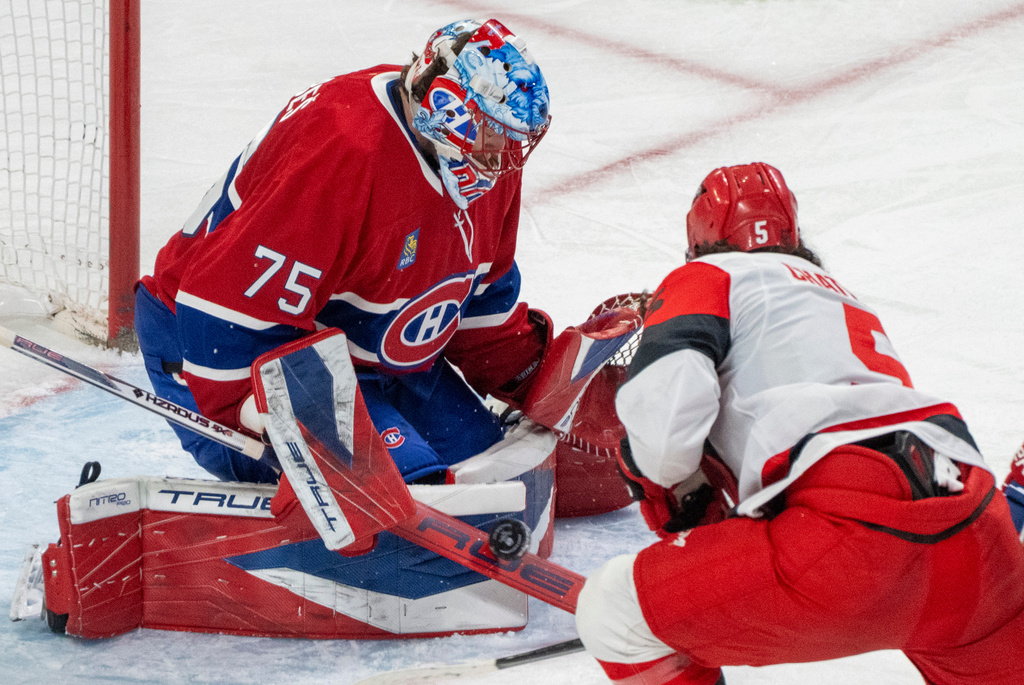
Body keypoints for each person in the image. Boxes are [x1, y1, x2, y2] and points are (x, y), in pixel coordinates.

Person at [574, 162, 1024, 685]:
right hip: (979, 534)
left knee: (614, 611)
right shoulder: (838, 295)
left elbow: (667, 421)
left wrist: (656, 471)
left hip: (844, 543)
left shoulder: (706, 276)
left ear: (698, 242)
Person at [134, 19, 553, 484]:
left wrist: (536, 376)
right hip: (213, 343)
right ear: (445, 105)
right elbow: (227, 310)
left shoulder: (479, 160)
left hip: (360, 341)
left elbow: (477, 294)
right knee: (417, 503)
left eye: (514, 134)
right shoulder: (341, 150)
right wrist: (259, 410)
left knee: (493, 476)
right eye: (493, 129)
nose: (504, 151)